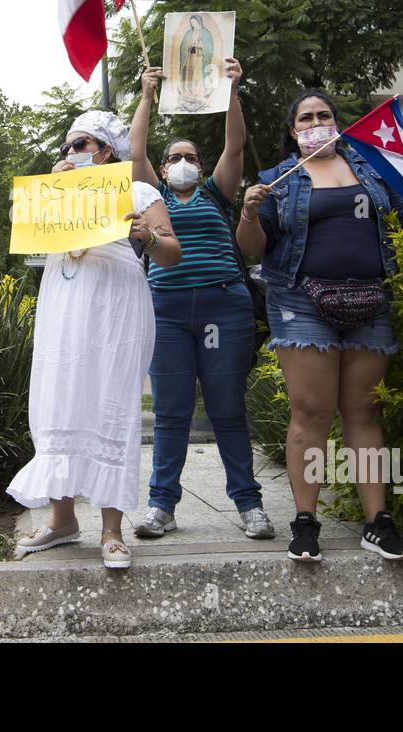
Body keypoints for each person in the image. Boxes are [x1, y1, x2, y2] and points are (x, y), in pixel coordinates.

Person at [236, 89, 403, 563]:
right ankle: (305, 523)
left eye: (324, 115)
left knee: (364, 414)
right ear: (293, 130)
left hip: (371, 301)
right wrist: (247, 212)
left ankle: (377, 524)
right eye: (306, 117)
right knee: (311, 413)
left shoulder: (370, 168)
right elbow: (253, 249)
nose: (316, 122)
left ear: (338, 124)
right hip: (301, 303)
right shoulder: (277, 180)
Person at [8, 110, 182, 569]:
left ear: (106, 150)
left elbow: (171, 254)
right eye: (67, 146)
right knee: (60, 400)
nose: (71, 153)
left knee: (111, 405)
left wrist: (144, 234)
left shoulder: (138, 190)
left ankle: (111, 530)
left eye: (81, 144)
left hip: (117, 303)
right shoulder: (53, 190)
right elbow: (28, 237)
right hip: (64, 299)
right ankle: (62, 519)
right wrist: (50, 189)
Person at [128, 57, 274, 541]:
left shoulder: (216, 193)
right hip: (166, 311)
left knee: (227, 408)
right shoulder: (153, 199)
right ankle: (161, 505)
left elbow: (235, 144)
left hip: (223, 307)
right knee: (171, 412)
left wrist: (233, 87)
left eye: (190, 155)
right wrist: (147, 93)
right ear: (163, 169)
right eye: (173, 158)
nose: (183, 162)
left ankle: (249, 505)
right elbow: (134, 150)